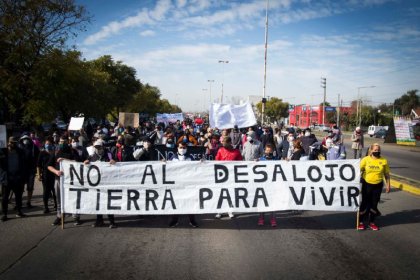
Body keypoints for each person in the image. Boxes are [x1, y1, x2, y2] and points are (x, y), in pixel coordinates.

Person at [84, 139, 117, 228]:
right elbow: (86, 164)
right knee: (98, 203)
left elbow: (117, 165)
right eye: (96, 147)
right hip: (97, 184)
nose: (98, 149)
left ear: (103, 147)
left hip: (107, 183)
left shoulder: (109, 155)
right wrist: (86, 162)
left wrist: (114, 162)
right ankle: (99, 221)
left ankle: (112, 222)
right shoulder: (92, 156)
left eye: (99, 147)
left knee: (108, 203)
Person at [358, 143, 391, 231]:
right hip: (367, 184)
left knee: (374, 204)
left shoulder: (384, 160)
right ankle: (360, 221)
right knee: (364, 203)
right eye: (375, 150)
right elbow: (358, 171)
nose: (377, 151)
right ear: (371, 150)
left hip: (378, 185)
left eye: (378, 150)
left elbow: (387, 174)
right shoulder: (365, 159)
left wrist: (388, 185)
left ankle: (371, 222)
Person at [168, 142, 199, 228]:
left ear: (186, 148)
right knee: (176, 202)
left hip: (188, 184)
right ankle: (174, 221)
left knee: (190, 203)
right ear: (177, 148)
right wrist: (163, 163)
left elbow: (196, 167)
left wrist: (201, 163)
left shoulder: (190, 157)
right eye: (180, 147)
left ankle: (192, 221)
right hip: (176, 184)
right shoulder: (173, 158)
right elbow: (168, 168)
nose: (182, 149)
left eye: (184, 147)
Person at [48, 136, 76, 226]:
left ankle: (75, 215)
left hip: (71, 180)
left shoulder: (72, 151)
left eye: (63, 141)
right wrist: (56, 171)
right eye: (60, 141)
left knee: (72, 198)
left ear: (67, 142)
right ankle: (59, 216)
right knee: (59, 199)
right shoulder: (55, 152)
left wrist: (64, 160)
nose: (61, 143)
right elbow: (49, 166)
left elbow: (76, 162)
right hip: (58, 180)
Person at [215, 136, 243, 219]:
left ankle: (230, 210)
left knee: (230, 193)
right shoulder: (220, 150)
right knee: (221, 193)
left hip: (232, 176)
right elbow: (216, 161)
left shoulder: (236, 152)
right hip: (222, 176)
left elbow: (241, 163)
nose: (222, 143)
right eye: (222, 142)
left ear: (229, 142)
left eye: (224, 142)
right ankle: (219, 211)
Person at [1, 137, 27, 221]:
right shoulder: (3, 152)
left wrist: (22, 176)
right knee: (5, 198)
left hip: (17, 178)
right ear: (8, 142)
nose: (13, 144)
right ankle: (4, 214)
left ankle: (19, 211)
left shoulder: (20, 151)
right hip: (7, 179)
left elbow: (23, 164)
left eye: (14, 143)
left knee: (18, 196)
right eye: (11, 142)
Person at [257, 144, 278, 227]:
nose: (268, 152)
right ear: (264, 151)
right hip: (263, 185)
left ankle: (272, 219)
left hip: (272, 185)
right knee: (262, 202)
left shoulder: (276, 160)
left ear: (272, 151)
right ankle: (261, 218)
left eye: (270, 151)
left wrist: (286, 161)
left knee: (272, 202)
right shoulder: (261, 160)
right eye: (267, 150)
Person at [37, 137, 58, 213]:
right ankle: (46, 207)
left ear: (52, 144)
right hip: (45, 174)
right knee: (46, 191)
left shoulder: (55, 153)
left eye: (49, 144)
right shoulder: (42, 153)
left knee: (55, 190)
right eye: (46, 144)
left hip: (55, 174)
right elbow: (38, 165)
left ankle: (56, 205)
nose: (48, 145)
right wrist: (39, 175)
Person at [19, 133, 40, 208]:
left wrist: (38, 170)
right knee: (20, 187)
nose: (25, 140)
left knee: (30, 187)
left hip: (31, 170)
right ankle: (19, 202)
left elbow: (38, 157)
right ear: (22, 139)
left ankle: (28, 202)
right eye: (24, 139)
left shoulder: (34, 147)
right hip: (22, 171)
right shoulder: (19, 147)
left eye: (27, 139)